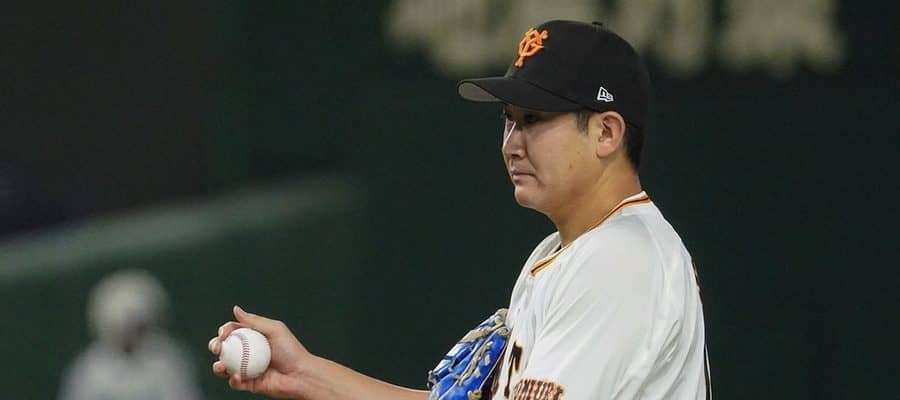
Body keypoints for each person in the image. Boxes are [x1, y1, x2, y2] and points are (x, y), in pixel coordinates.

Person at [208, 20, 709, 400]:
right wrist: (307, 374)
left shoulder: (619, 259)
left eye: (535, 120)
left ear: (606, 133)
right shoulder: (566, 252)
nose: (511, 144)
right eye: (509, 120)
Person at [59, 269, 204, 400]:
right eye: (123, 329)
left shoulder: (170, 361)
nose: (132, 337)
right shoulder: (88, 371)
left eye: (139, 328)